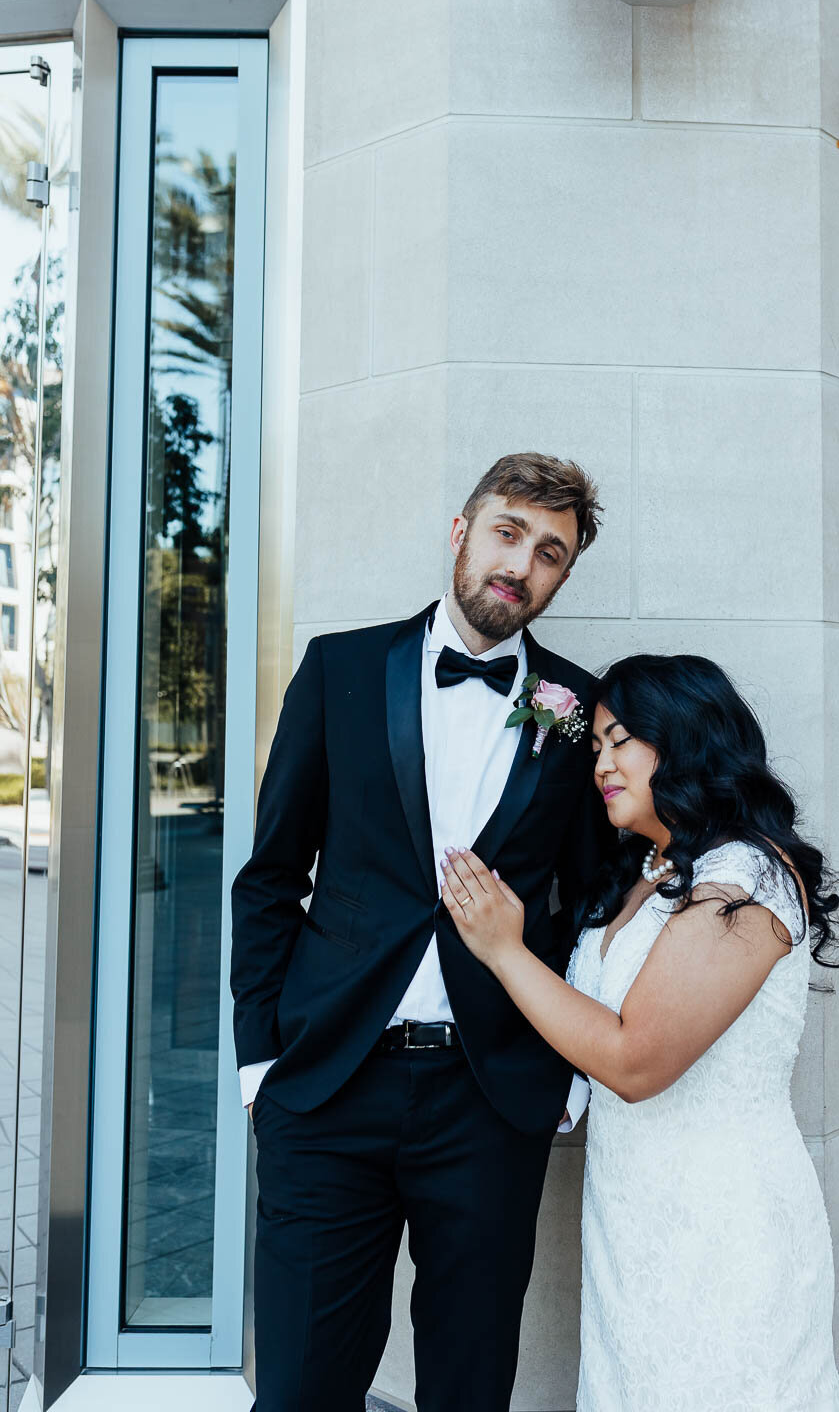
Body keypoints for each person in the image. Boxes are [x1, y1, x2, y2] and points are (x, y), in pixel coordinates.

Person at [230, 452, 615, 1411]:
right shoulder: (341, 668)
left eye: (550, 553)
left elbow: (590, 904)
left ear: (563, 577)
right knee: (298, 1386)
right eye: (507, 533)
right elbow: (272, 875)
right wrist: (259, 1065)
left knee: (469, 1383)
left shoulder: (573, 709)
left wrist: (563, 1077)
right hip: (326, 1089)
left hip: (489, 1099)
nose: (521, 564)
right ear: (461, 531)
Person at [440, 652, 839, 1412]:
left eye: (619, 739)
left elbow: (633, 1060)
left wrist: (502, 949)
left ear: (685, 738)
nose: (601, 763)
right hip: (631, 1219)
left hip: (723, 1226)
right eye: (594, 744)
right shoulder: (648, 871)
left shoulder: (747, 879)